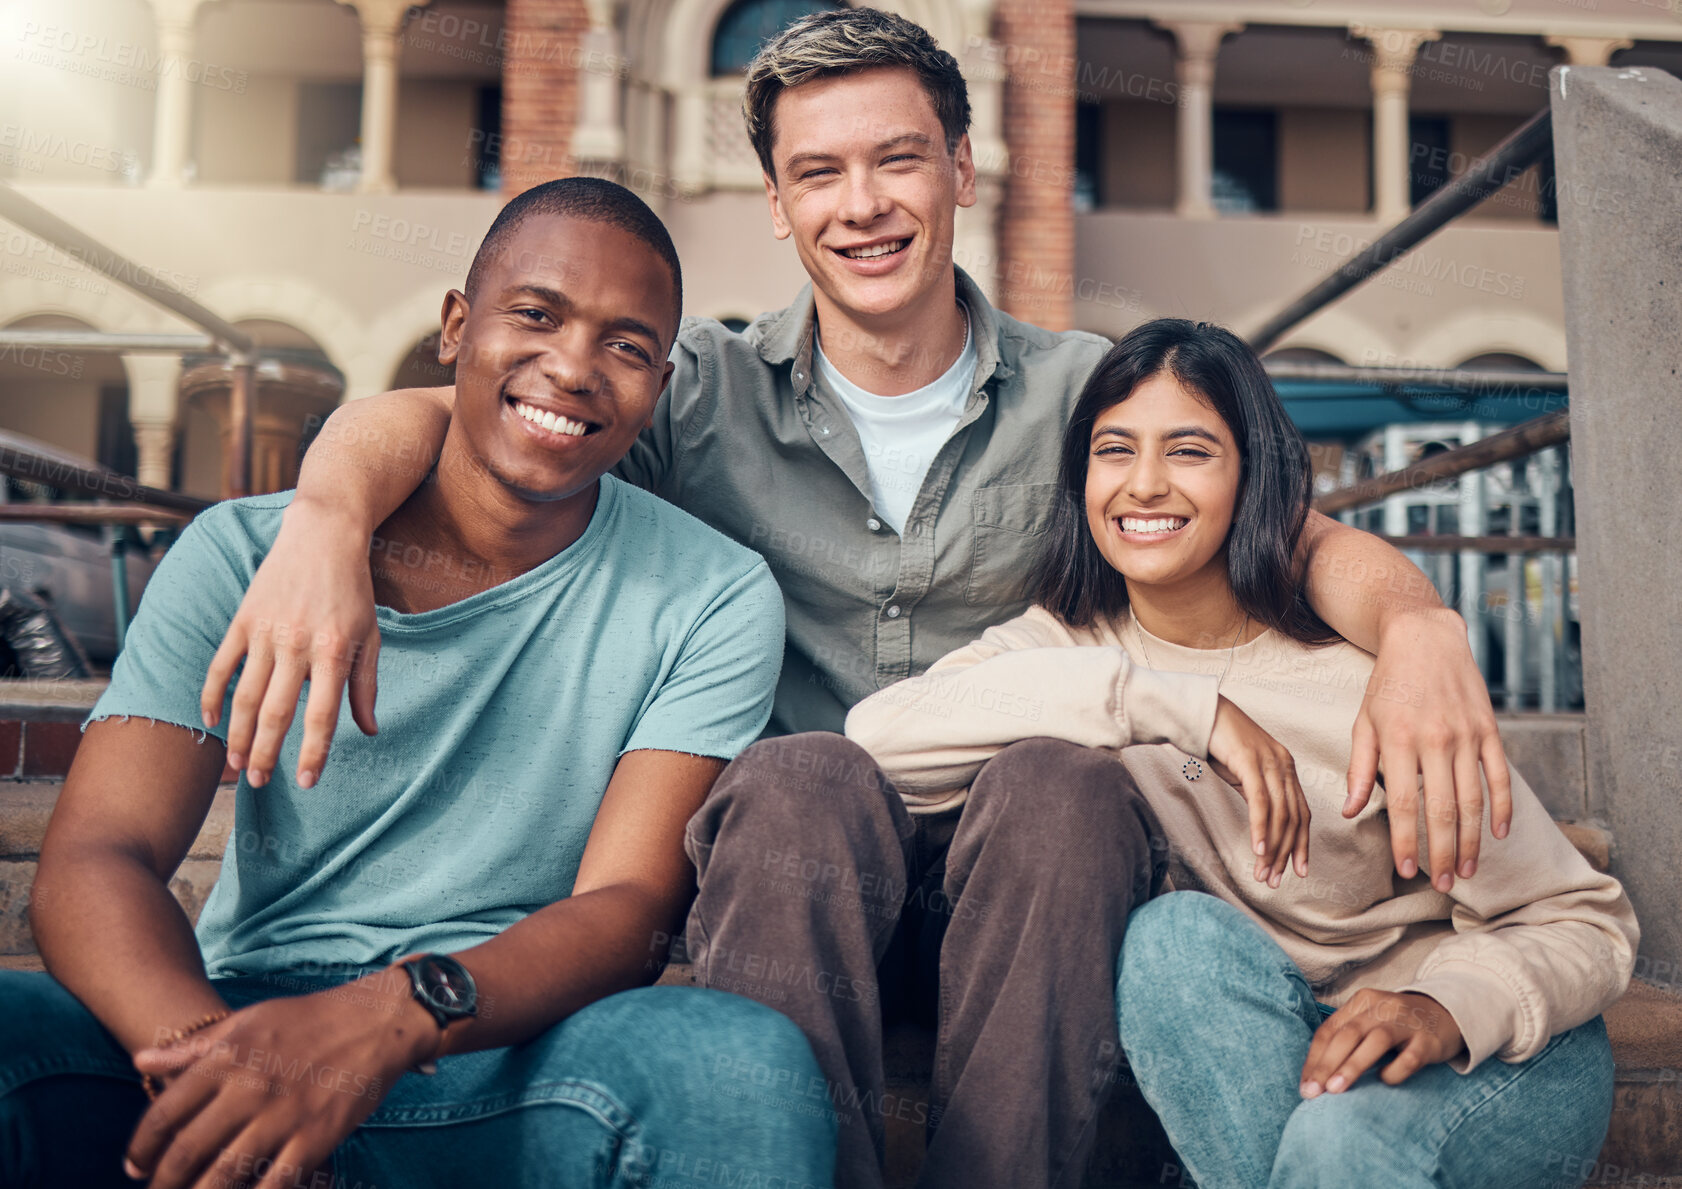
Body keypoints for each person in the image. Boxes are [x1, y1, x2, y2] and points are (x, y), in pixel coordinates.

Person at [193, 11, 1515, 1186]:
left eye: (896, 159)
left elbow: (1291, 533)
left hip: (1042, 890)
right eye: (817, 172)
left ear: (959, 171)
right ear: (775, 204)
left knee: (1063, 781)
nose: (861, 204)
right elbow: (453, 416)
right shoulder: (692, 388)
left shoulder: (1083, 394)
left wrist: (1416, 627)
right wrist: (321, 516)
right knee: (801, 776)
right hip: (791, 881)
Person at [0, 178, 836, 1189]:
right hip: (235, 1017)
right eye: (535, 313)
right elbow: (99, 853)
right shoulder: (245, 554)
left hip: (493, 1047)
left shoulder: (710, 591)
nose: (571, 366)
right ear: (455, 327)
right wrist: (231, 1081)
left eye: (623, 345)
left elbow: (625, 907)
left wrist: (398, 1013)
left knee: (734, 1062)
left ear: (656, 386)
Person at [846, 317, 1636, 1189]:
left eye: (1189, 451)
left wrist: (1446, 1004)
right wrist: (1179, 708)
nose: (1144, 485)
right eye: (1114, 450)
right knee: (1167, 941)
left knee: (1339, 1146)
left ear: (1252, 480)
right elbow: (878, 738)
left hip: (1492, 1047)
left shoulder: (1368, 681)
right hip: (1262, 1030)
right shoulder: (1068, 655)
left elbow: (1583, 918)